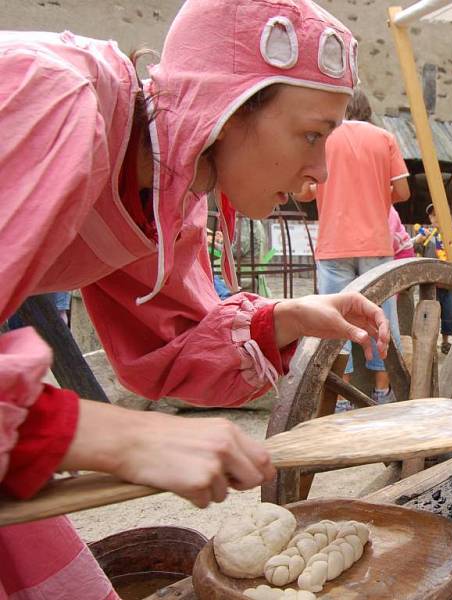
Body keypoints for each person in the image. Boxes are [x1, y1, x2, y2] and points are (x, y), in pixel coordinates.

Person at [0, 1, 390, 598]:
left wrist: (285, 319)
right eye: (312, 135)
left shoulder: (169, 198)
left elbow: (171, 346)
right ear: (228, 110)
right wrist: (118, 439)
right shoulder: (54, 98)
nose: (321, 171)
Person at [298, 89, 410, 404]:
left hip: (333, 244)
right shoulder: (384, 138)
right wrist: (378, 193)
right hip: (375, 242)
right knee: (382, 316)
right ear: (367, 110)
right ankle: (382, 391)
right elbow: (402, 190)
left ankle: (342, 398)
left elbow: (305, 193)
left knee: (335, 319)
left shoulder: (324, 137)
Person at [413, 203, 452, 354]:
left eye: (437, 213)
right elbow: (414, 249)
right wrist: (417, 241)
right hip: (429, 282)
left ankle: (445, 342)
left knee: (449, 314)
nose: (435, 217)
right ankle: (429, 343)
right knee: (429, 313)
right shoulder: (426, 234)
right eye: (432, 215)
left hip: (449, 282)